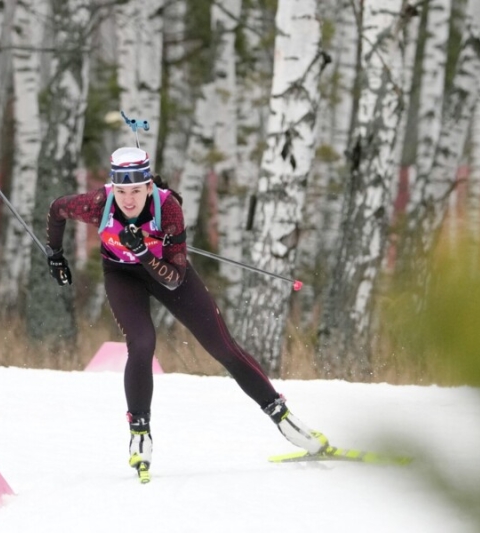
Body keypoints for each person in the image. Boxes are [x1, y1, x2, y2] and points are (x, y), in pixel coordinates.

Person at [44, 146, 328, 478]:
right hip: (122, 276)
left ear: (148, 186)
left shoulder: (169, 208)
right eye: (121, 191)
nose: (129, 200)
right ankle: (140, 435)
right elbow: (56, 209)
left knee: (223, 346)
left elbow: (175, 279)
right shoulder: (98, 204)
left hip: (168, 273)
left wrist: (143, 252)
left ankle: (285, 419)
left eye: (136, 190)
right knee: (142, 342)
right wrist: (55, 254)